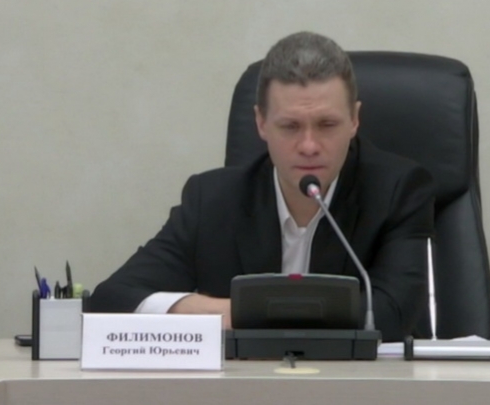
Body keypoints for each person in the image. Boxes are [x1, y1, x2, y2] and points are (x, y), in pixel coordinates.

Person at [90, 31, 435, 341]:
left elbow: (390, 316)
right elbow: (111, 299)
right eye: (290, 126)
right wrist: (218, 311)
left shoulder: (398, 191)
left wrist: (246, 313)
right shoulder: (212, 201)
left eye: (327, 124)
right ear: (261, 123)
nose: (309, 146)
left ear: (355, 120)